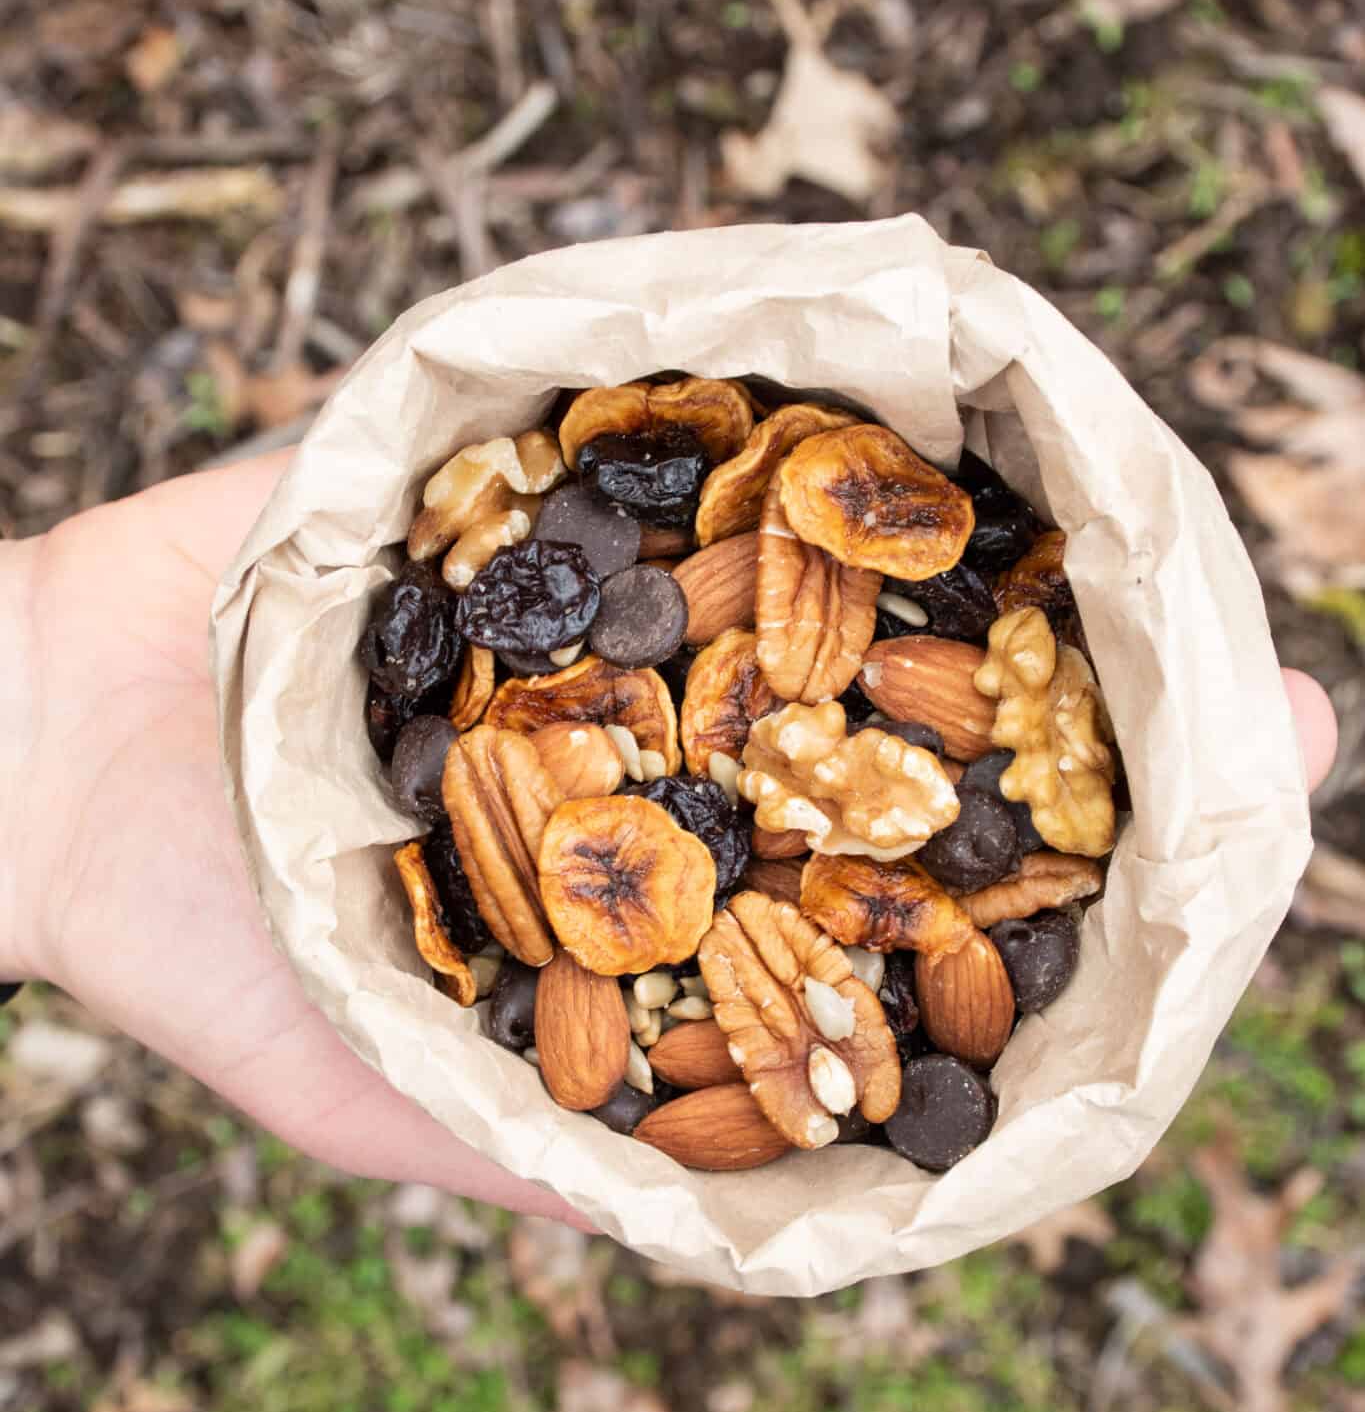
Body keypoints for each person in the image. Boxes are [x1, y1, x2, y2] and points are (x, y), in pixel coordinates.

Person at [0, 458, 1339, 1232]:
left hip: (758, 852)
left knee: (927, 828)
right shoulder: (653, 792)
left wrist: (43, 723)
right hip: (683, 839)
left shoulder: (805, 823)